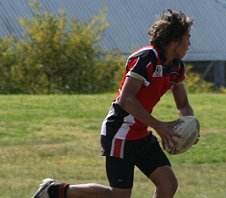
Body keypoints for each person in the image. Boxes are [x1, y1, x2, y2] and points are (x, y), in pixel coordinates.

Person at [32, 9, 198, 198]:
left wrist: (190, 125)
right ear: (175, 40)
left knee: (168, 184)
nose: (189, 43)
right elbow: (126, 99)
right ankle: (53, 191)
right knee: (119, 195)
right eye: (187, 38)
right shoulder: (146, 58)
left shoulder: (176, 66)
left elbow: (183, 104)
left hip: (141, 133)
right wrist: (159, 126)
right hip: (120, 132)